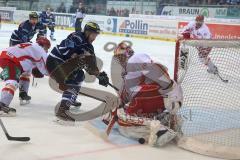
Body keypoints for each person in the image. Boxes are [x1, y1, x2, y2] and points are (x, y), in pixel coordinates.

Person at [103, 42, 183, 147]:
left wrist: (169, 87)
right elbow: (124, 97)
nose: (119, 61)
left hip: (160, 96)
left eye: (120, 57)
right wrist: (114, 108)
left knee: (125, 122)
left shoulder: (135, 58)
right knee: (125, 120)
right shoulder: (128, 73)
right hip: (154, 99)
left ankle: (160, 131)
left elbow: (153, 69)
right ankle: (166, 120)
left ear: (127, 53)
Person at [46, 22, 109, 121]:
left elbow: (90, 66)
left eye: (96, 35)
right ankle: (62, 110)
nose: (94, 38)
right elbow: (71, 54)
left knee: (80, 75)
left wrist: (99, 75)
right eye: (93, 35)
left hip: (64, 65)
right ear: (87, 32)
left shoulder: (89, 47)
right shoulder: (76, 37)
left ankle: (70, 98)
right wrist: (83, 58)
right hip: (55, 62)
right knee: (74, 78)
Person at [0, 37, 51, 116]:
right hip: (11, 60)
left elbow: (28, 63)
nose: (47, 51)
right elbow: (46, 69)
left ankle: (23, 94)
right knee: (13, 82)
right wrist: (56, 76)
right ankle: (2, 105)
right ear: (44, 46)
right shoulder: (40, 50)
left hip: (7, 56)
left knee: (27, 71)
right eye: (47, 48)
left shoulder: (31, 46)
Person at [9, 12, 46, 105]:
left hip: (25, 42)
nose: (34, 21)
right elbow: (23, 41)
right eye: (32, 19)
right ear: (29, 19)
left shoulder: (39, 24)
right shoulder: (25, 26)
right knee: (19, 64)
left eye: (35, 19)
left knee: (26, 67)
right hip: (16, 43)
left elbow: (42, 34)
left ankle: (23, 92)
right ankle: (10, 73)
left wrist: (40, 39)